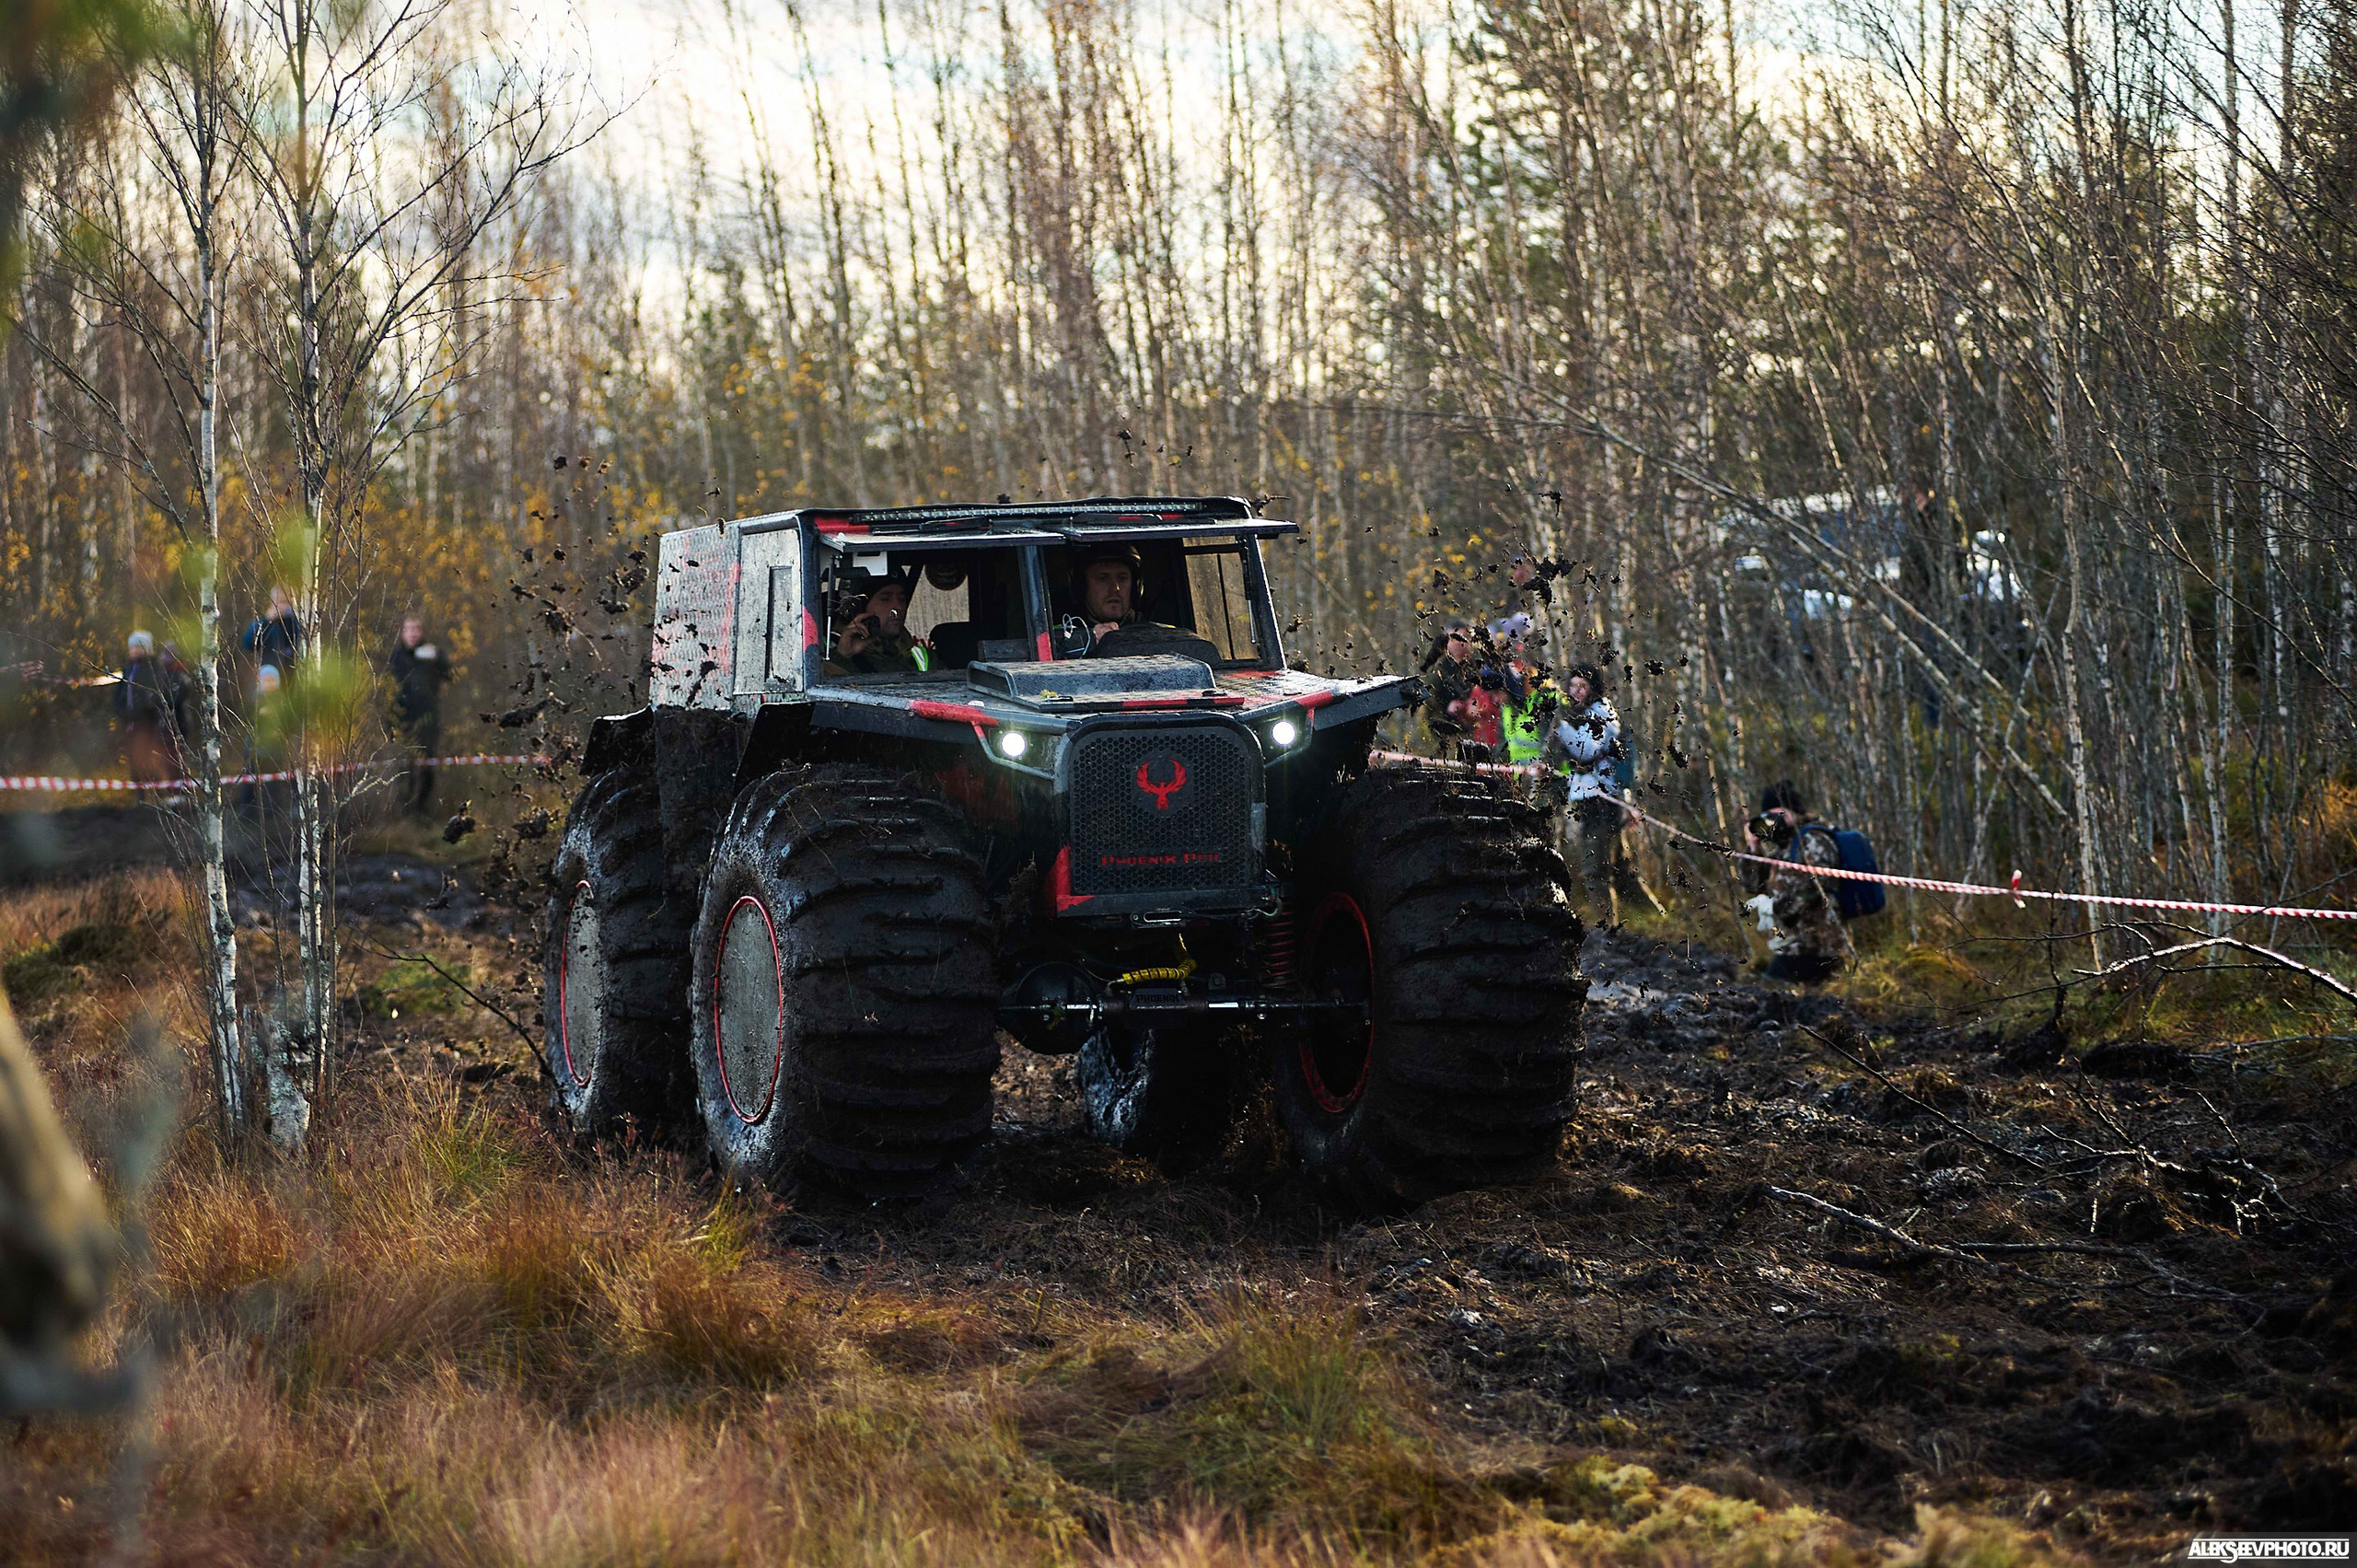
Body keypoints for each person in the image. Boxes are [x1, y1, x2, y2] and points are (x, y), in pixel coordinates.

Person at [1742, 779, 1855, 983]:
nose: (1774, 823)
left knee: (1772, 990)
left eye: (1779, 815)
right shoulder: (1784, 848)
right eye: (1769, 817)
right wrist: (1753, 847)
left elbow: (1817, 886)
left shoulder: (1813, 839)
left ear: (1794, 812)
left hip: (1822, 946)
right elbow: (1752, 885)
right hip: (1796, 945)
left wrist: (1775, 907)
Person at [1552, 662, 1633, 925]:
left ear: (1593, 688)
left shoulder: (1601, 711)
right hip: (1587, 798)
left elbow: (1585, 750)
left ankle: (1606, 927)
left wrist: (1561, 727)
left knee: (1594, 868)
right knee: (1603, 866)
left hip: (1602, 798)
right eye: (1573, 686)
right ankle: (1611, 925)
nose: (1576, 691)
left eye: (1582, 686)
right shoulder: (1581, 712)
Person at [387, 615, 449, 815]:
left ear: (421, 632)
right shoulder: (396, 656)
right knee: (404, 766)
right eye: (409, 629)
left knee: (428, 763)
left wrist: (437, 658)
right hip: (403, 718)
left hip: (428, 718)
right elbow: (387, 688)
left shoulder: (431, 653)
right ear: (402, 632)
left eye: (416, 629)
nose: (413, 633)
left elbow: (449, 674)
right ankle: (403, 809)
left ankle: (423, 808)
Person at [117, 631, 186, 790]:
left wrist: (141, 711)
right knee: (135, 759)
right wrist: (122, 713)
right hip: (130, 724)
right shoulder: (128, 670)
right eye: (131, 647)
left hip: (147, 724)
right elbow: (119, 694)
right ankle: (140, 796)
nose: (133, 650)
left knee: (149, 758)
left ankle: (158, 794)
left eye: (137, 647)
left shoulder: (154, 669)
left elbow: (153, 698)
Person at [829, 573, 925, 674]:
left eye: (902, 599)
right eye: (885, 599)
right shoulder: (823, 658)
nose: (899, 607)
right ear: (859, 608)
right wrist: (843, 657)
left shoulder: (922, 658)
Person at [1076, 544, 1143, 643]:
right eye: (1103, 579)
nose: (1115, 588)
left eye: (1122, 579)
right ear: (1083, 586)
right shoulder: (1059, 637)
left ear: (1134, 587)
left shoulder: (1159, 631)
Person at [243, 586, 304, 669]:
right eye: (281, 602)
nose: (284, 606)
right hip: (270, 674)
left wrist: (295, 619)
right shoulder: (265, 623)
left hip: (294, 673)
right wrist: (267, 620)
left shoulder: (299, 623)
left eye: (288, 602)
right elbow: (248, 644)